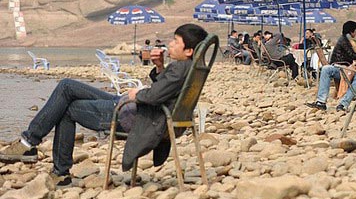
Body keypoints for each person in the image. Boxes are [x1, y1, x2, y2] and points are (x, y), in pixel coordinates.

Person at [0, 24, 209, 187]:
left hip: (131, 116)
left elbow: (154, 96)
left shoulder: (180, 69)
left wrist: (138, 93)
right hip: (133, 109)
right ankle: (33, 147)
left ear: (189, 50)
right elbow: (168, 92)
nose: (170, 45)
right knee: (67, 86)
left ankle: (45, 159)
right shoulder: (188, 68)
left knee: (67, 107)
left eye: (175, 41)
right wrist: (160, 67)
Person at [306, 21, 356, 112]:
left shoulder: (347, 40)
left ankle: (343, 104)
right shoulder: (344, 40)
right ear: (351, 31)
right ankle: (321, 101)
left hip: (346, 68)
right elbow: (352, 55)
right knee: (326, 69)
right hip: (341, 67)